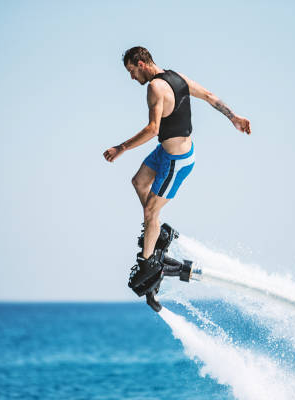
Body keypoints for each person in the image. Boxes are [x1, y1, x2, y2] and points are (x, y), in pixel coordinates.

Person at [103, 46, 251, 276]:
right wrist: (234, 117)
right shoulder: (177, 77)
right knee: (139, 182)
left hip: (177, 159)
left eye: (132, 71)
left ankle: (147, 264)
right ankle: (159, 233)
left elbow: (153, 129)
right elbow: (210, 96)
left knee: (150, 211)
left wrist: (121, 148)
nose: (132, 77)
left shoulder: (155, 87)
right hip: (165, 151)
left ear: (141, 64)